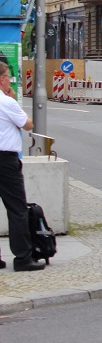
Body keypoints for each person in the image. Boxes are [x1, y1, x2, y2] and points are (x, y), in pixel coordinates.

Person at [0, 62, 44, 272]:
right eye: (8, 77)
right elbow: (28, 124)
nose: (10, 81)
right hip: (5, 161)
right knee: (17, 209)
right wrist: (11, 98)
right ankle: (23, 258)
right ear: (1, 79)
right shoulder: (6, 102)